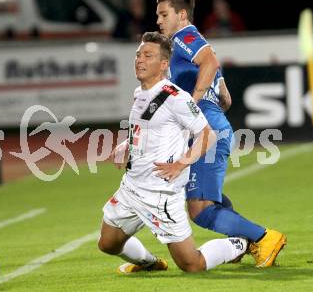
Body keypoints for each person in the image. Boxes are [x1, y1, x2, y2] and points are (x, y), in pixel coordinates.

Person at [155, 0, 286, 267]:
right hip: (214, 124)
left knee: (200, 209)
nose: (159, 21)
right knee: (202, 198)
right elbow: (225, 97)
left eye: (163, 14)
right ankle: (241, 244)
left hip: (207, 130)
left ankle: (263, 238)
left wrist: (193, 101)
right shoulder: (201, 43)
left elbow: (211, 64)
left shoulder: (184, 38)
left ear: (181, 14)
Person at [98, 31, 248, 274]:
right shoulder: (141, 93)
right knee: (107, 243)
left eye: (148, 55)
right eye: (138, 54)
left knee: (192, 265)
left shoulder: (176, 97)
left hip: (161, 194)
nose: (140, 60)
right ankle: (150, 264)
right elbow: (146, 127)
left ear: (164, 63)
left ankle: (239, 242)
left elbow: (207, 135)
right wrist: (127, 144)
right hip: (132, 188)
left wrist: (181, 163)